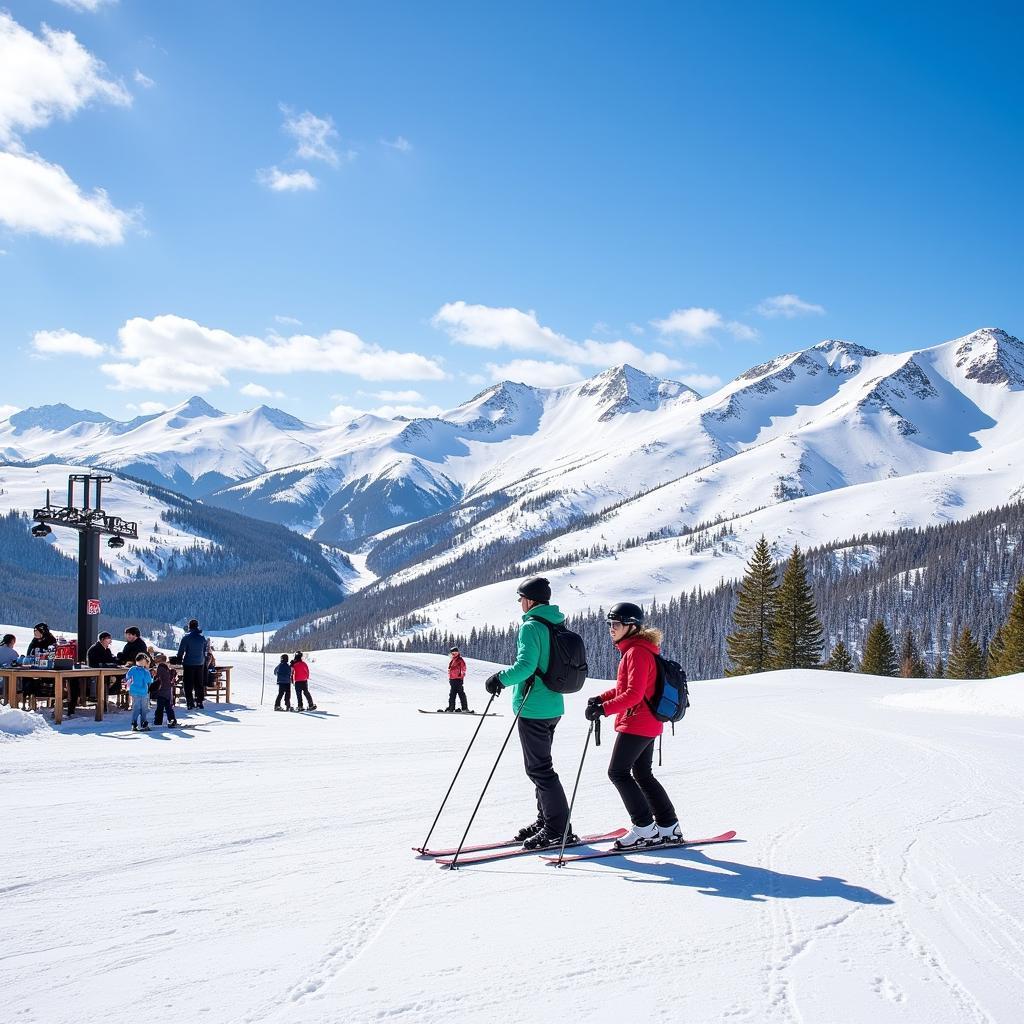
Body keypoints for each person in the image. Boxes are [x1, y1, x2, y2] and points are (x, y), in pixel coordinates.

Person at [482, 577, 575, 850]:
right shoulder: (554, 623)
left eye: (521, 598)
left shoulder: (532, 627)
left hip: (533, 707)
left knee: (539, 769)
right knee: (540, 767)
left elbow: (525, 666)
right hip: (552, 705)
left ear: (530, 601)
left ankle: (558, 829)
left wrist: (498, 678)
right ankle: (547, 821)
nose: (520, 603)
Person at [584, 602, 682, 849]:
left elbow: (633, 695)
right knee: (642, 774)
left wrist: (603, 710)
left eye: (615, 624)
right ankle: (669, 827)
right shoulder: (639, 650)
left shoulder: (636, 653)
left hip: (638, 722)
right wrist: (601, 699)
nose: (611, 629)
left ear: (631, 626)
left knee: (617, 772)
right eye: (609, 624)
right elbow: (624, 688)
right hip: (648, 723)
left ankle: (644, 829)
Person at [176, 619, 210, 709]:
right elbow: (204, 651)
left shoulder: (186, 638)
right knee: (199, 683)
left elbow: (181, 651)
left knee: (188, 683)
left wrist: (178, 658)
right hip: (200, 663)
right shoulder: (202, 638)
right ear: (197, 626)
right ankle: (199, 702)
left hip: (189, 663)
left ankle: (190, 703)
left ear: (189, 627)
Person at [126, 653, 152, 732]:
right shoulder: (145, 671)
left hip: (134, 691)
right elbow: (149, 680)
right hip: (143, 692)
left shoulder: (132, 669)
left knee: (136, 708)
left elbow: (127, 676)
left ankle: (134, 723)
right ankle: (143, 723)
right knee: (144, 709)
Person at [152, 653, 179, 727]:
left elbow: (158, 680)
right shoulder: (167, 668)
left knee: (159, 708)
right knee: (168, 707)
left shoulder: (160, 668)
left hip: (161, 691)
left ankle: (158, 721)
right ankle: (172, 719)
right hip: (168, 690)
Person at [443, 646, 469, 713]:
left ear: (458, 652)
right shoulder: (452, 660)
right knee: (452, 695)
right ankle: (451, 708)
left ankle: (464, 708)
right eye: (453, 652)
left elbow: (464, 669)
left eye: (455, 652)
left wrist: (461, 677)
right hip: (452, 680)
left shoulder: (460, 660)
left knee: (461, 694)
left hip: (458, 680)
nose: (454, 653)